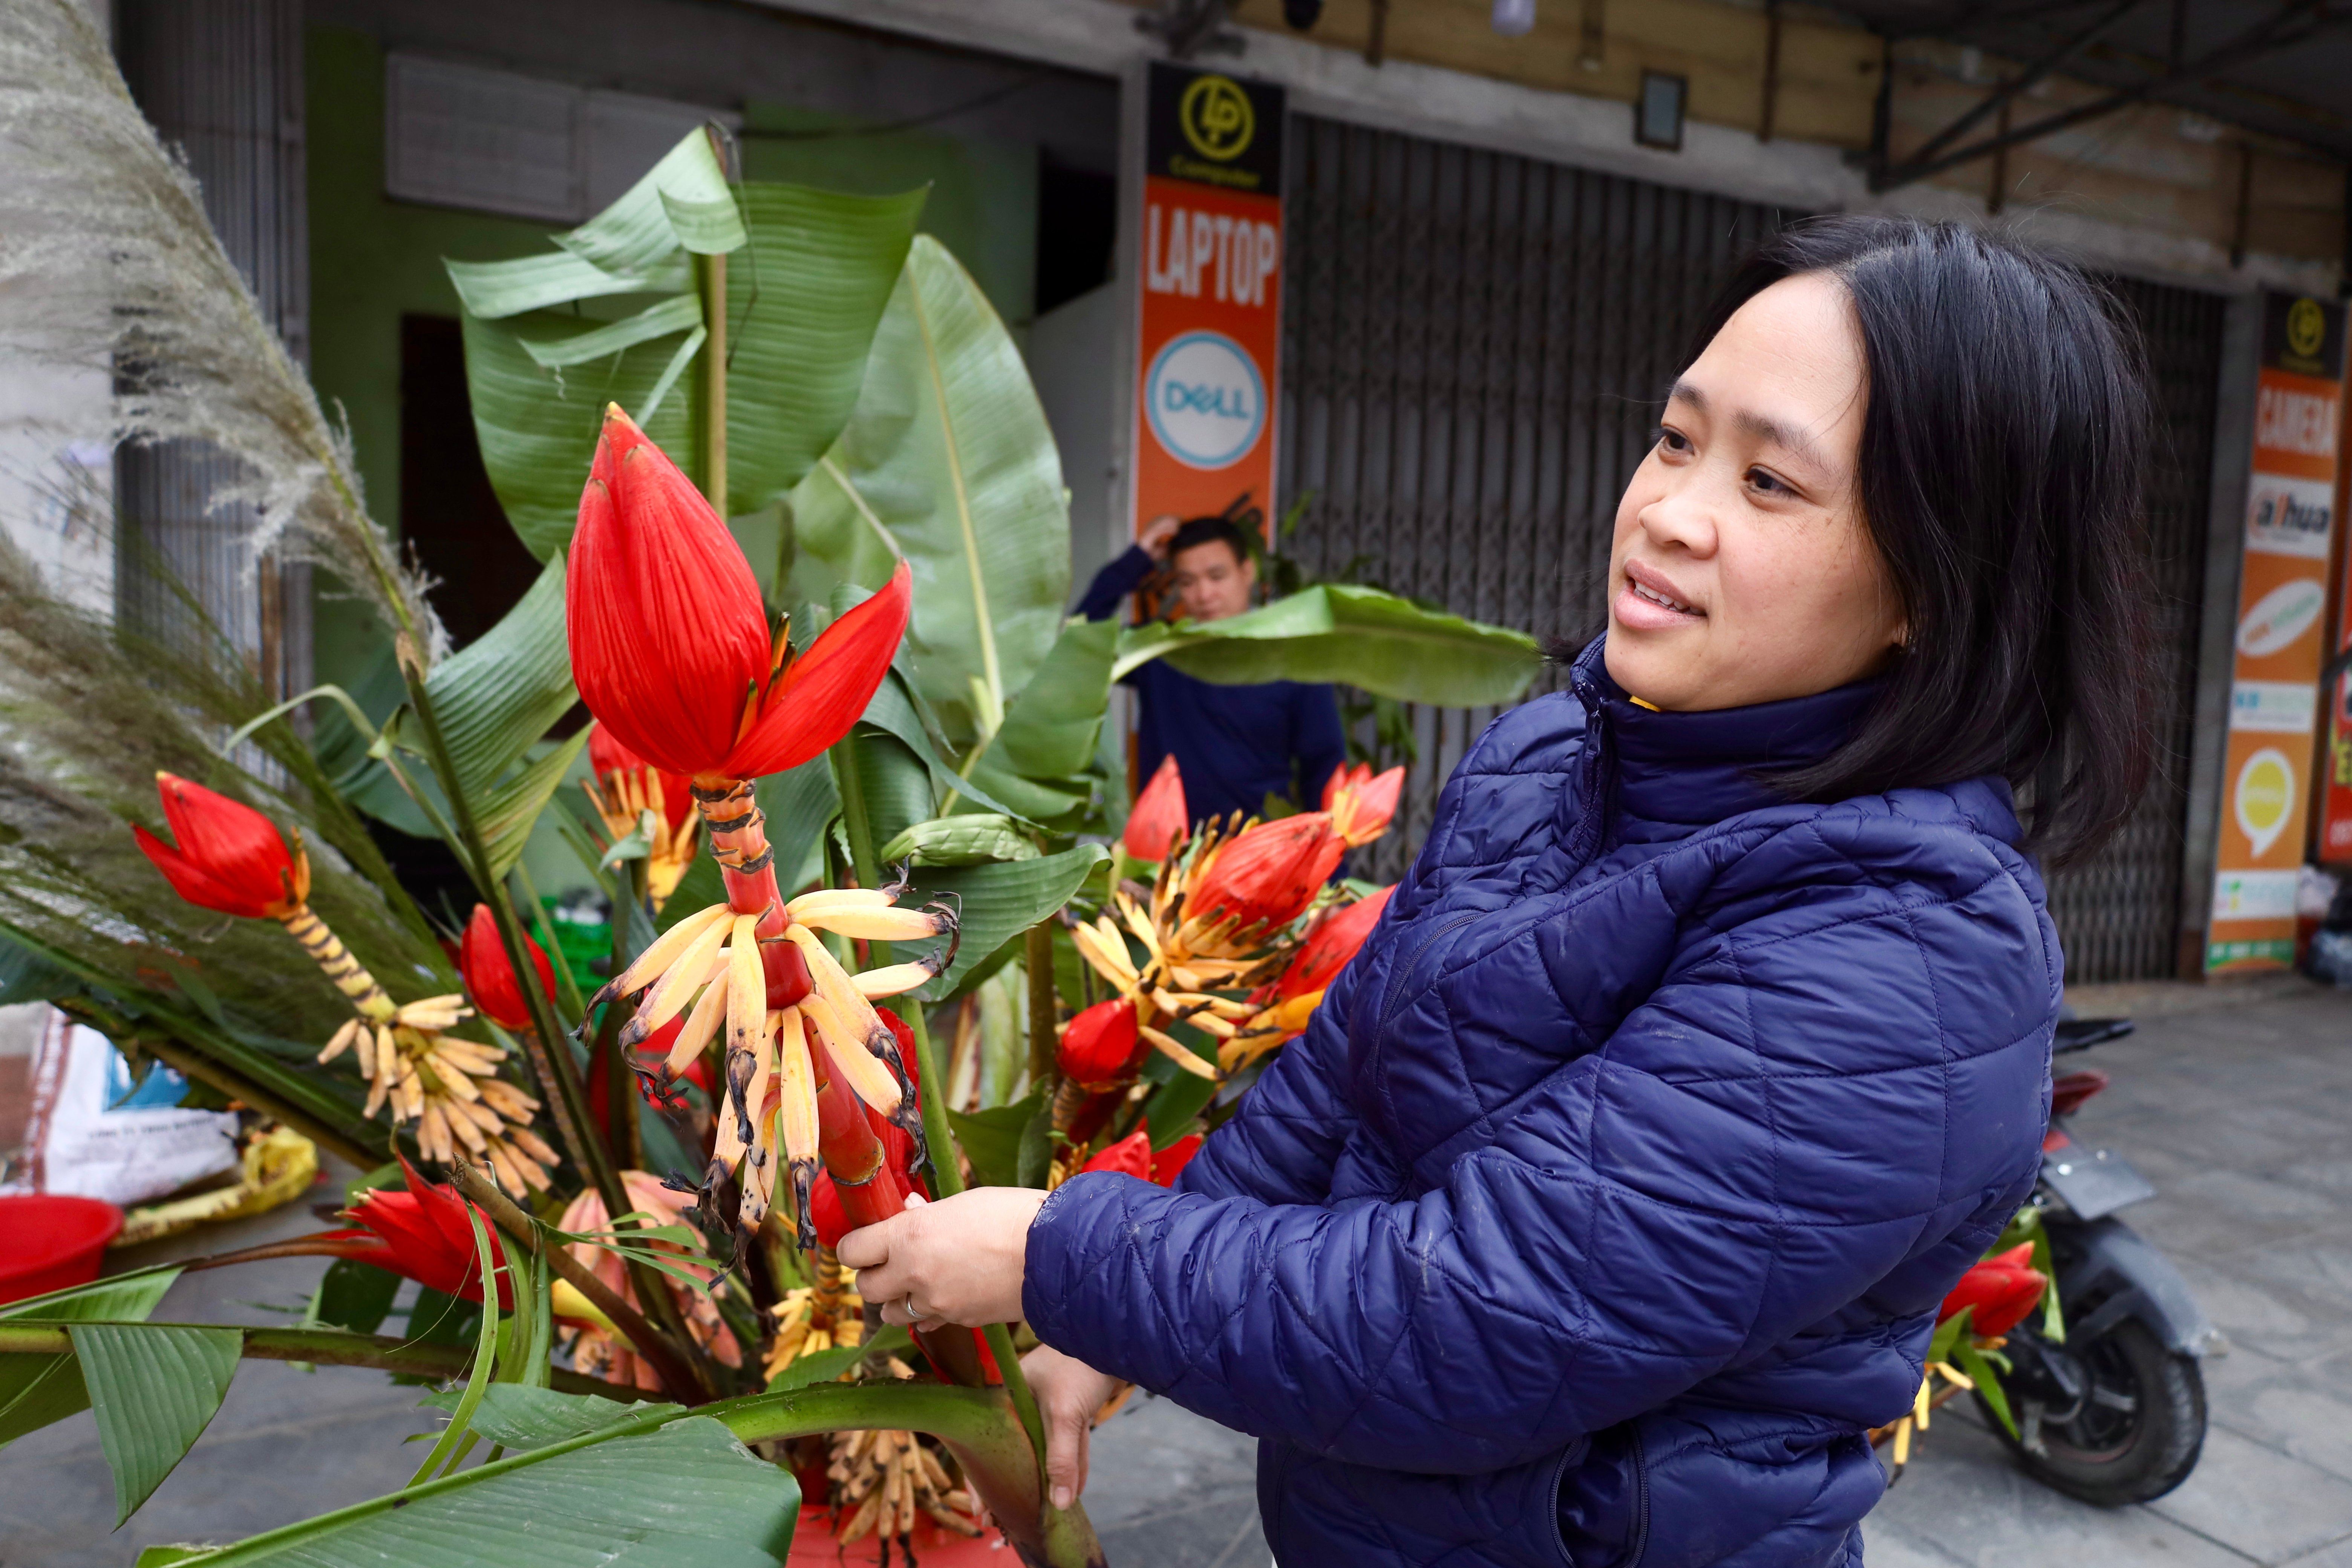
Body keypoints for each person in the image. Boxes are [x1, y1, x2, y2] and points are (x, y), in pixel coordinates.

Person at [840, 216, 2152, 1566]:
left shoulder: (1902, 955)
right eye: (1676, 437)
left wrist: (1067, 1254)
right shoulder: (1552, 755)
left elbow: (1480, 1321)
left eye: (1770, 484)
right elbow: (1351, 1062)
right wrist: (1121, 1327)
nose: (1669, 512)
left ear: (1933, 590)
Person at [1077, 512, 1346, 827]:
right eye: (1188, 582)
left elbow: (1325, 771)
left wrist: (1328, 864)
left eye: (1217, 577)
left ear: (1248, 572)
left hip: (1255, 854)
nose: (1204, 595)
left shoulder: (1295, 659)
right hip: (1163, 855)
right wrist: (1136, 559)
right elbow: (1082, 642)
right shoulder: (1160, 650)